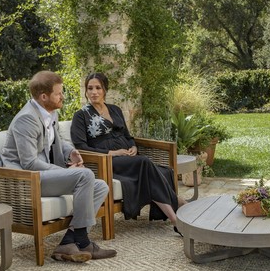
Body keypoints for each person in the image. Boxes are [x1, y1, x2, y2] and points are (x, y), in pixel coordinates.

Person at [1, 71, 117, 262]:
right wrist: (65, 172)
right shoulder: (26, 119)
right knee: (85, 175)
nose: (63, 97)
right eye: (58, 93)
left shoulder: (49, 112)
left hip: (40, 174)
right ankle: (83, 241)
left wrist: (70, 152)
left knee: (101, 186)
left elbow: (58, 140)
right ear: (44, 96)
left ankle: (68, 242)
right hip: (26, 180)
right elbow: (29, 163)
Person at [70, 72, 184, 236]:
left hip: (128, 157)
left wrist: (133, 147)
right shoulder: (81, 116)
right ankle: (177, 214)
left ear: (105, 90)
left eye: (98, 88)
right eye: (90, 88)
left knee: (155, 169)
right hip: (107, 161)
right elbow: (81, 147)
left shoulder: (115, 110)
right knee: (144, 163)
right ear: (86, 91)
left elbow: (128, 136)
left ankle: (177, 219)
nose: (94, 92)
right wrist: (113, 153)